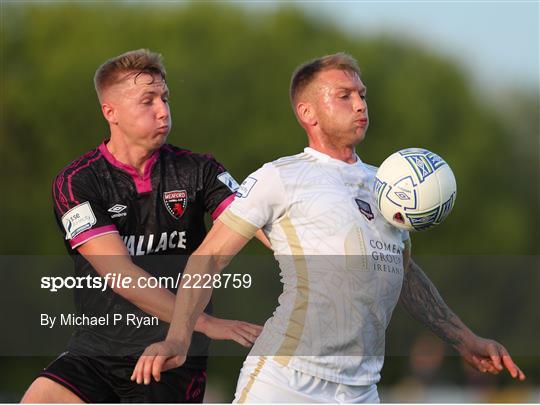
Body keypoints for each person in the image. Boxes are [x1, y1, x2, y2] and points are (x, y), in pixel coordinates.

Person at [131, 53, 526, 403]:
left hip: (360, 390)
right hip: (286, 381)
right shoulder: (280, 177)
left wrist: (464, 338)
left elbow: (402, 274)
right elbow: (208, 258)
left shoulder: (388, 185)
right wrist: (179, 337)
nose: (360, 105)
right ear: (308, 113)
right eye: (345, 96)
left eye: (362, 95)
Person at [21, 49, 265, 403]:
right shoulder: (78, 181)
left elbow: (261, 226)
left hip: (169, 356)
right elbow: (119, 273)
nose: (163, 110)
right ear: (111, 112)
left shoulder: (200, 171)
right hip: (95, 351)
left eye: (165, 98)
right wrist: (208, 324)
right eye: (147, 101)